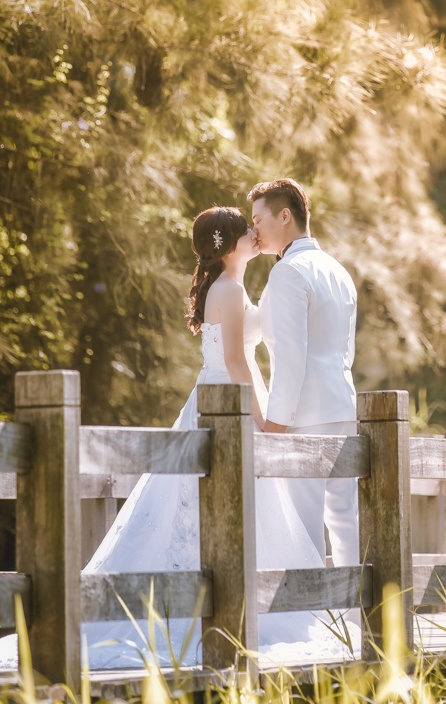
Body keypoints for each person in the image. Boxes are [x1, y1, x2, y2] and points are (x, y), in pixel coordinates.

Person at [0, 206, 357, 673]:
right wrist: (264, 418)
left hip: (233, 399)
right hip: (228, 402)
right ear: (229, 245)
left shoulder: (233, 285)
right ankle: (208, 608)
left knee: (243, 506)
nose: (255, 233)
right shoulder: (228, 289)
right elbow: (235, 361)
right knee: (207, 503)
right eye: (246, 231)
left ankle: (240, 602)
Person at [248, 179, 360, 570]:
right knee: (346, 522)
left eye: (258, 219)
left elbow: (291, 359)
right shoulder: (338, 270)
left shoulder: (288, 273)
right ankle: (358, 620)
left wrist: (277, 424)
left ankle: (315, 624)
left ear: (285, 215)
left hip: (304, 419)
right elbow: (346, 350)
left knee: (305, 526)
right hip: (343, 408)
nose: (254, 230)